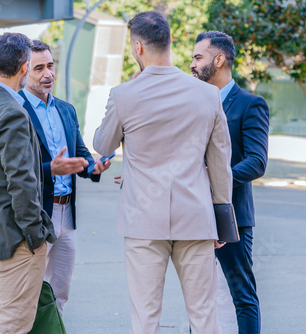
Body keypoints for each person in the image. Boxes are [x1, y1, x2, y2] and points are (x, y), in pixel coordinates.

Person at [93, 11, 233, 334]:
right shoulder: (208, 94)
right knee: (203, 316)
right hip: (196, 218)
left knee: (145, 319)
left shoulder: (124, 94)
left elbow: (103, 143)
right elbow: (220, 164)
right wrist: (221, 221)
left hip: (143, 221)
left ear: (138, 48)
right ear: (170, 42)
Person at [0, 32, 56, 334]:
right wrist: (35, 235)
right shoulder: (11, 113)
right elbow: (22, 183)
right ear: (24, 67)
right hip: (13, 240)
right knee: (13, 324)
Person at [18, 40, 111, 315]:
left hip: (65, 213)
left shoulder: (67, 110)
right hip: (35, 214)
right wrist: (51, 170)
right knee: (28, 291)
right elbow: (13, 169)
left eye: (50, 65)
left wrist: (93, 167)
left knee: (59, 291)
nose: (48, 74)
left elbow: (80, 154)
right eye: (39, 68)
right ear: (24, 70)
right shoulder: (16, 109)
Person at [190, 31, 270, 334]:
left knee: (242, 296)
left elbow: (256, 162)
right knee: (197, 297)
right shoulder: (193, 102)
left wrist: (213, 181)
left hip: (231, 216)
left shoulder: (250, 104)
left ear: (219, 59)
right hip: (193, 214)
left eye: (198, 57)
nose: (193, 64)